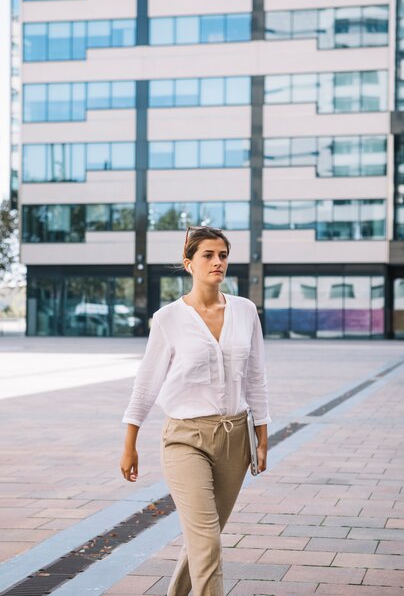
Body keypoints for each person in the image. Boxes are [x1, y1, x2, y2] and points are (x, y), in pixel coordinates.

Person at [120, 226, 271, 596]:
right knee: (207, 542)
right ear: (189, 263)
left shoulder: (246, 311)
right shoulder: (168, 318)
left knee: (205, 537)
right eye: (208, 255)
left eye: (223, 255)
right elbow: (147, 383)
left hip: (236, 438)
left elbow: (257, 378)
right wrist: (130, 443)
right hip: (185, 440)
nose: (218, 262)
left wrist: (262, 439)